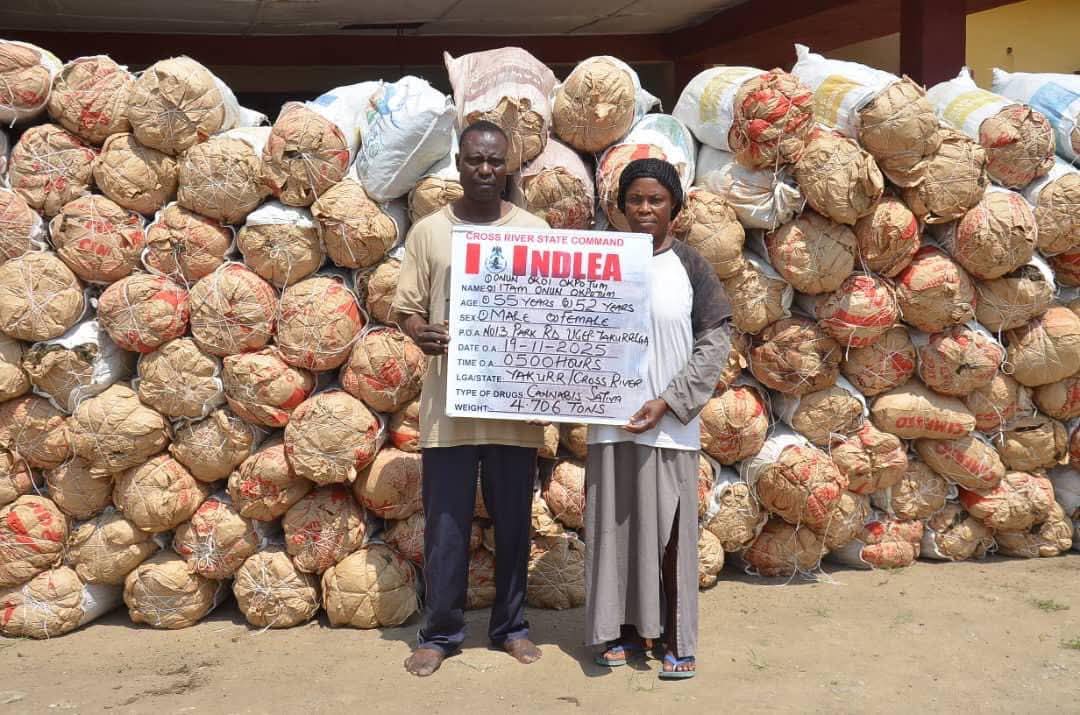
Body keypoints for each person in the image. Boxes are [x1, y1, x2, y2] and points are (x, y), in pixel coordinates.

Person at [393, 120, 549, 677]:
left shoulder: (534, 231)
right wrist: (420, 331)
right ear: (458, 164)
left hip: (514, 409)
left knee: (515, 525)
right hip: (449, 408)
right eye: (475, 160)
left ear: (509, 167)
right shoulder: (429, 233)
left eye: (495, 161)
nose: (485, 170)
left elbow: (554, 309)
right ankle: (439, 635)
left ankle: (511, 628)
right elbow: (407, 308)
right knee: (446, 529)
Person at [584, 158, 731, 680]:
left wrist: (669, 401)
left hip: (670, 427)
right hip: (611, 424)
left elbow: (715, 342)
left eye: (656, 200)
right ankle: (620, 631)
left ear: (675, 207)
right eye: (635, 199)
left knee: (670, 535)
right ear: (620, 207)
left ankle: (674, 637)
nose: (645, 208)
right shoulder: (598, 260)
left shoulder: (691, 266)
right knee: (616, 532)